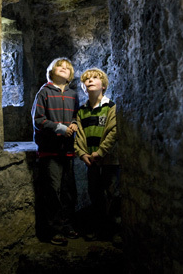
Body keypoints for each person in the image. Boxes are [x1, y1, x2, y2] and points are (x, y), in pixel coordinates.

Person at [31, 57, 79, 246]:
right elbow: (38, 119)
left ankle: (67, 225)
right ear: (52, 71)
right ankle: (54, 230)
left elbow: (76, 115)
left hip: (67, 150)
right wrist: (60, 128)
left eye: (68, 68)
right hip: (50, 150)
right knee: (53, 191)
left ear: (70, 76)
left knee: (68, 190)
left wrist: (74, 124)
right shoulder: (44, 93)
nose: (64, 68)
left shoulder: (73, 94)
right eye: (60, 66)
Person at [74, 68, 121, 242]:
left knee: (113, 194)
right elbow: (79, 136)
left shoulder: (110, 107)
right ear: (84, 87)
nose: (90, 81)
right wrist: (82, 154)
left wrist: (100, 152)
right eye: (87, 80)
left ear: (103, 85)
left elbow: (113, 131)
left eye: (95, 78)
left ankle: (114, 231)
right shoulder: (82, 111)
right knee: (95, 195)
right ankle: (98, 228)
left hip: (109, 160)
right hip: (91, 162)